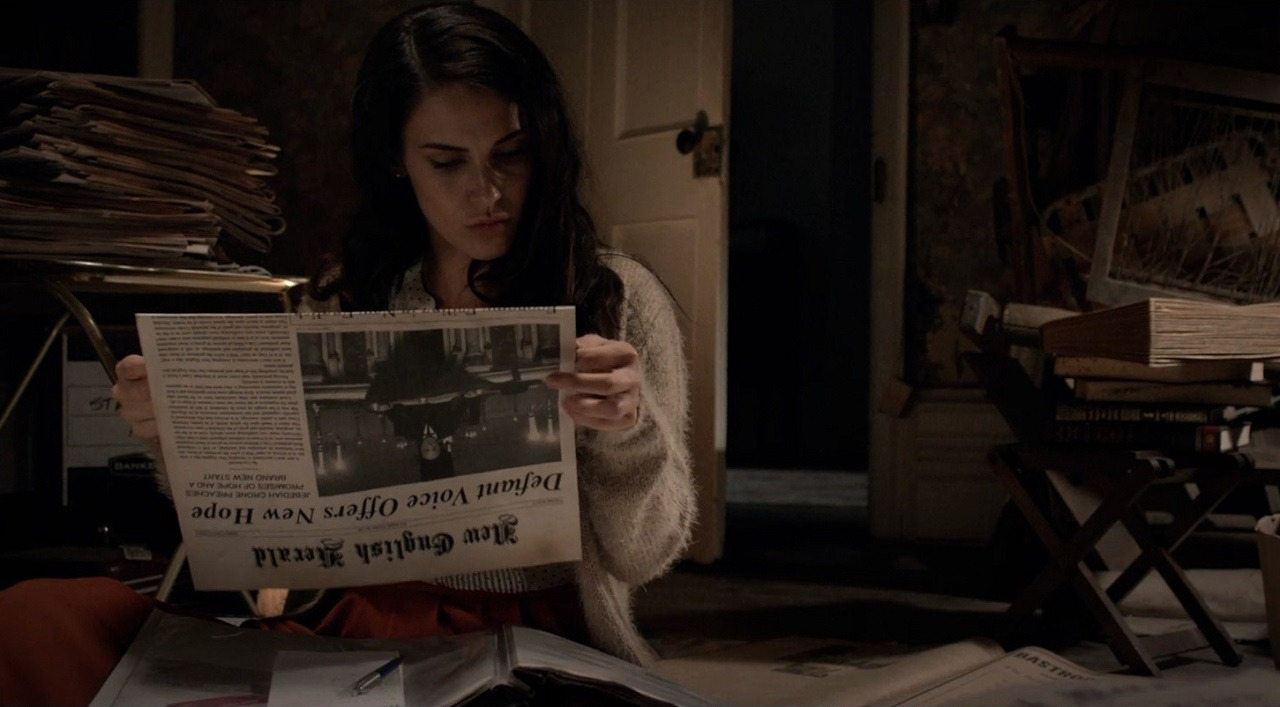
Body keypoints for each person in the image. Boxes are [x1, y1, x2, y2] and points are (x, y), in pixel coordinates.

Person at [0, 3, 694, 703]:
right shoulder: (352, 295)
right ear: (396, 160)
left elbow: (646, 553)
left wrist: (628, 431)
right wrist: (177, 434)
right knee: (35, 620)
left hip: (537, 637)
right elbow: (264, 537)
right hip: (358, 631)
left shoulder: (617, 297)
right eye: (446, 162)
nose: (487, 193)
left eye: (511, 154)